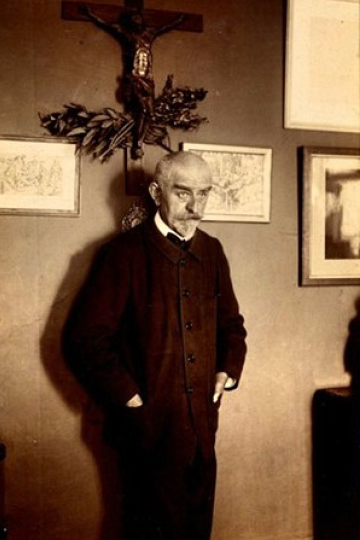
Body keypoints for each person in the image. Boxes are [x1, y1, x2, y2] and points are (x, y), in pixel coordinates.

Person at [63, 150, 247, 540]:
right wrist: (130, 397)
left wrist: (227, 372)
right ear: (156, 192)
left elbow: (232, 326)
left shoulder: (213, 251)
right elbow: (84, 339)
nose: (196, 207)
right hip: (146, 434)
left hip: (203, 429)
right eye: (183, 193)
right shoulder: (122, 254)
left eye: (204, 193)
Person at [83, 6, 184, 158]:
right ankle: (138, 144)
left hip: (148, 80)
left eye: (138, 18)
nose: (136, 21)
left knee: (148, 112)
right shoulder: (127, 35)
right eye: (133, 19)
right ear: (130, 23)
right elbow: (107, 26)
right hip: (134, 80)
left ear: (142, 21)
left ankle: (139, 142)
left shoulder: (149, 34)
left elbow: (165, 27)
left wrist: (178, 21)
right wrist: (91, 14)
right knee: (142, 110)